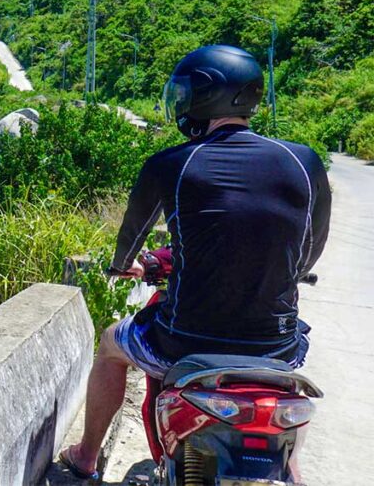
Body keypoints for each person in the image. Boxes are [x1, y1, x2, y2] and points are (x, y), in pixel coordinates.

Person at [58, 44, 332, 479]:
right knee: (281, 414)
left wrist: (123, 265)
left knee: (110, 347)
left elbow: (129, 243)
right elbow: (309, 249)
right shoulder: (304, 161)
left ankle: (86, 457)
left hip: (183, 342)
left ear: (206, 96)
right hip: (277, 347)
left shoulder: (172, 164)